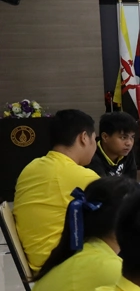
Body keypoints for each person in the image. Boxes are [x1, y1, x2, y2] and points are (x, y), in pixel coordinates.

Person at [13, 109, 100, 275]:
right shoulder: (79, 175)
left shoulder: (30, 168)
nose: (95, 146)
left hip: (39, 262)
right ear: (83, 138)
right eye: (94, 139)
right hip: (60, 265)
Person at [87, 111, 139, 180]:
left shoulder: (126, 152)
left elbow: (132, 182)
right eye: (123, 137)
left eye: (132, 137)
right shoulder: (90, 156)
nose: (129, 143)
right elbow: (101, 185)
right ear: (105, 137)